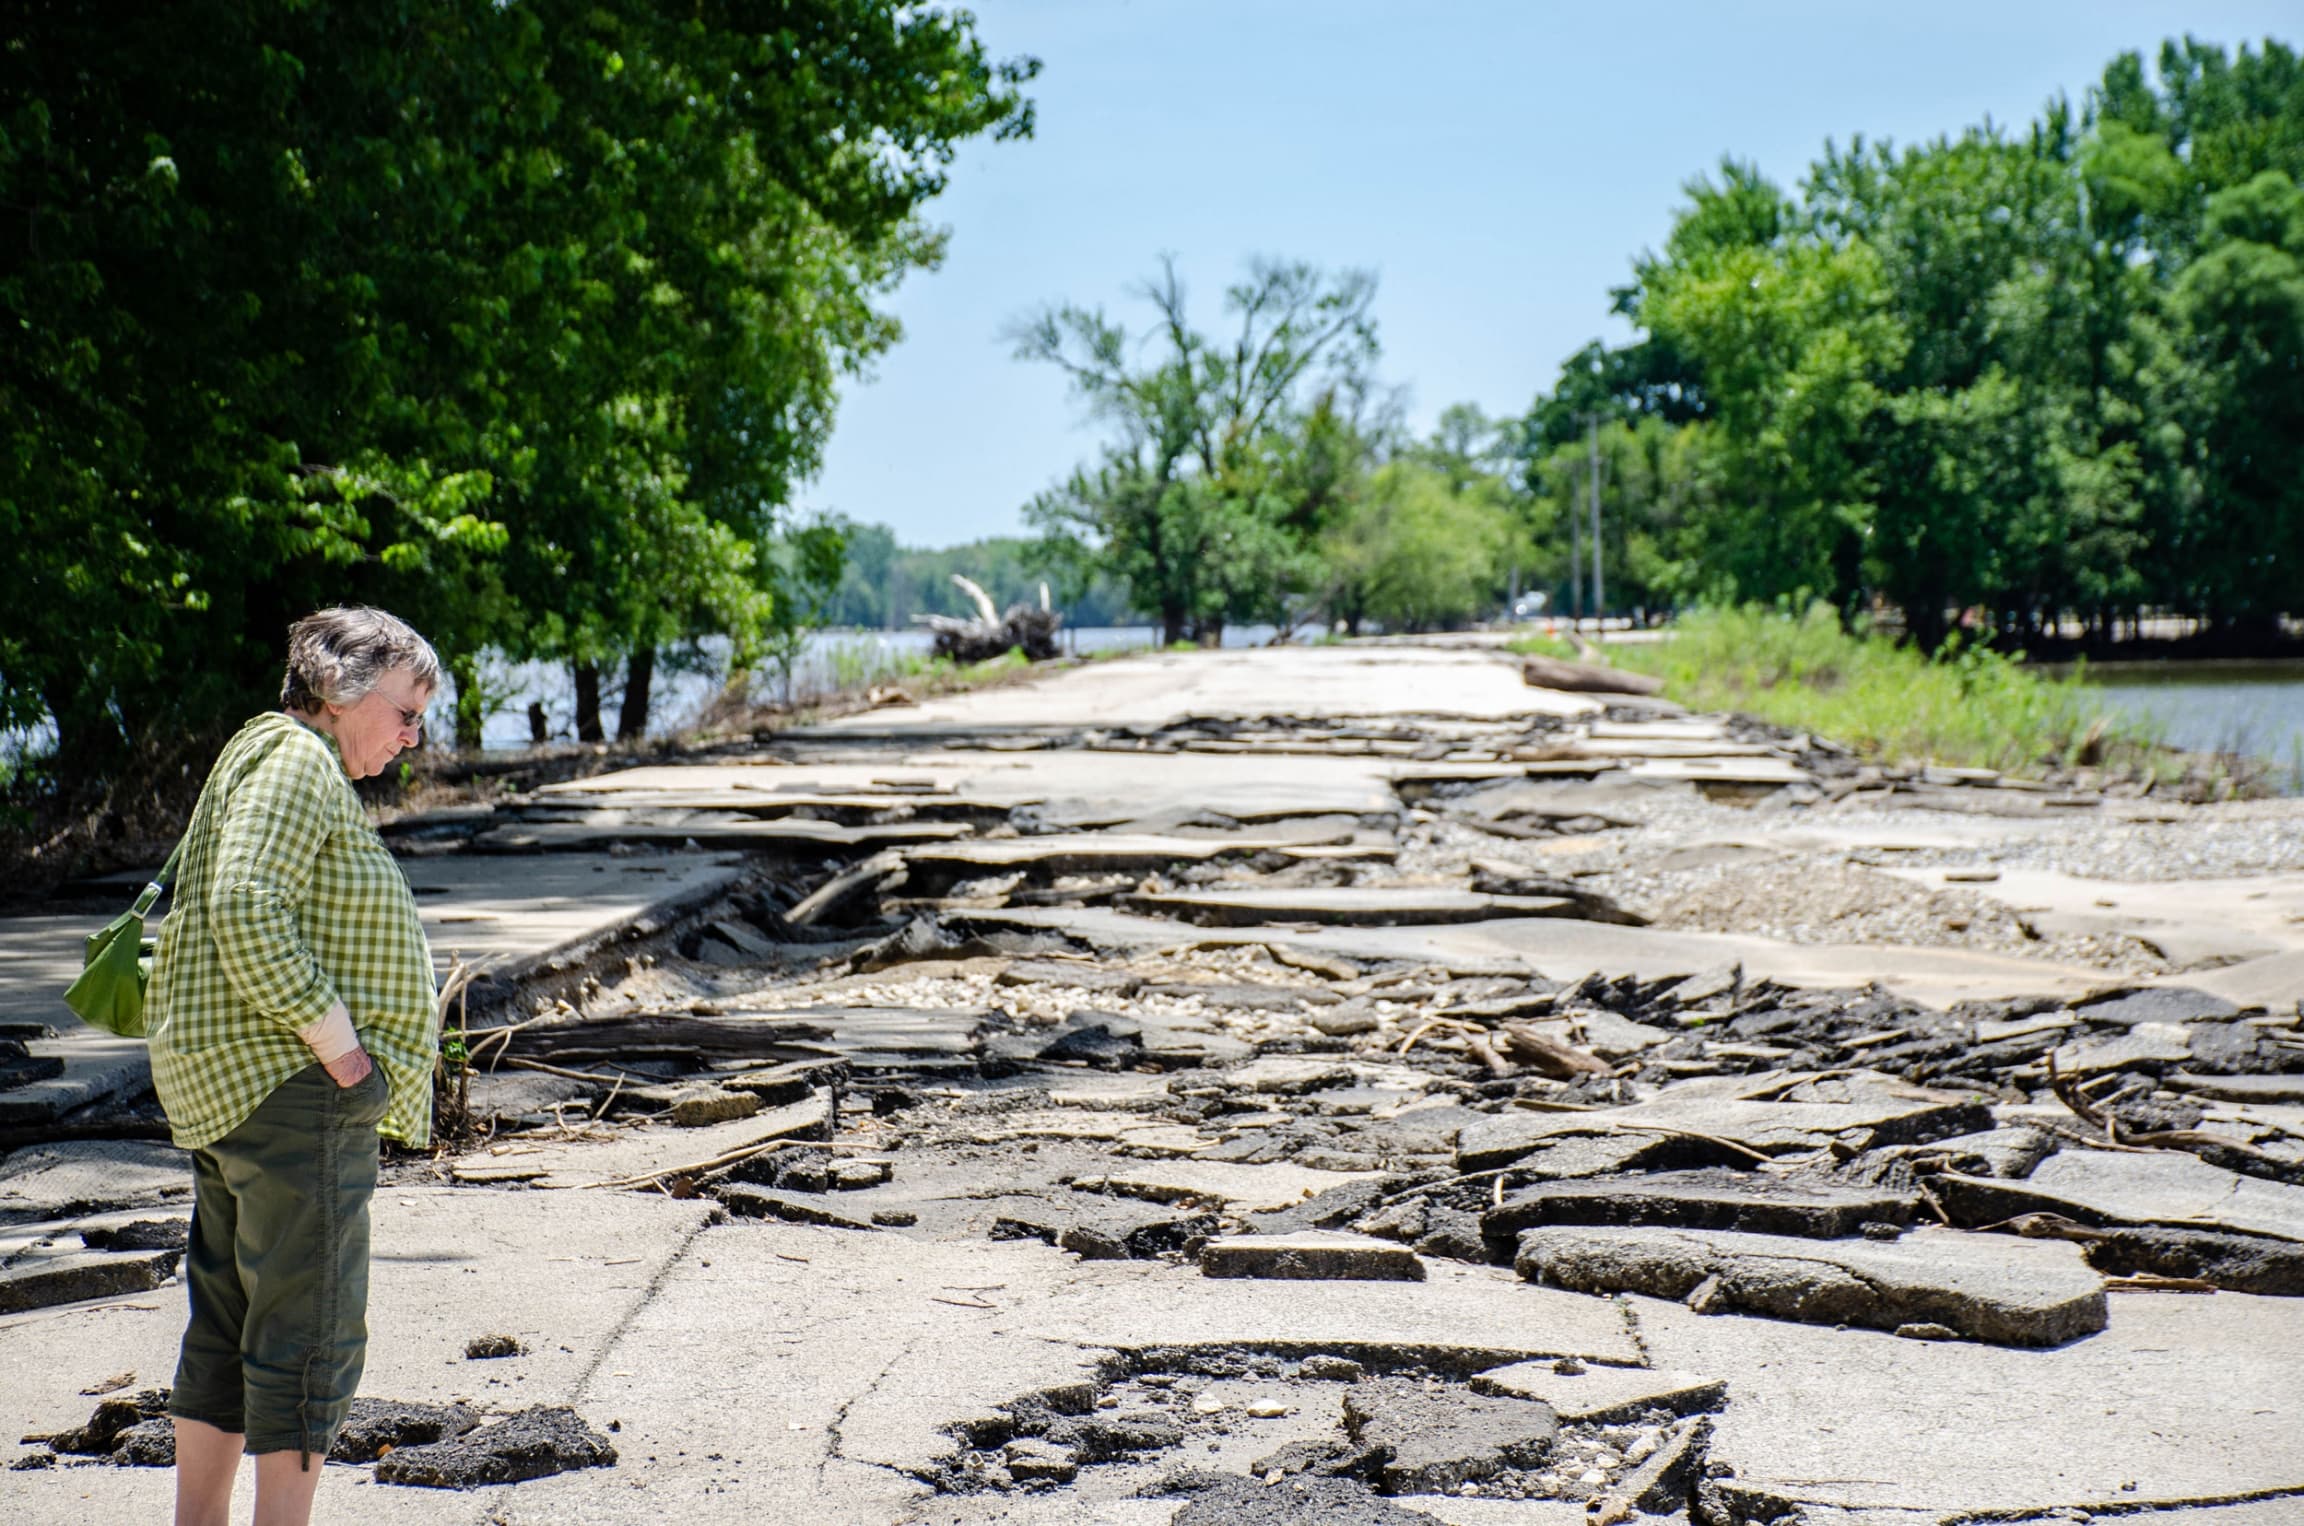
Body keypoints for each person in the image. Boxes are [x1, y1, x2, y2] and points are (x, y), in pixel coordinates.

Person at [145, 607, 441, 1526]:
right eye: (405, 710)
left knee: (230, 1325)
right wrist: (340, 1044)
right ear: (341, 691)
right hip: (287, 1089)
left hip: (234, 1086)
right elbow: (244, 904)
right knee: (308, 1332)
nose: (411, 735)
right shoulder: (299, 762)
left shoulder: (261, 752)